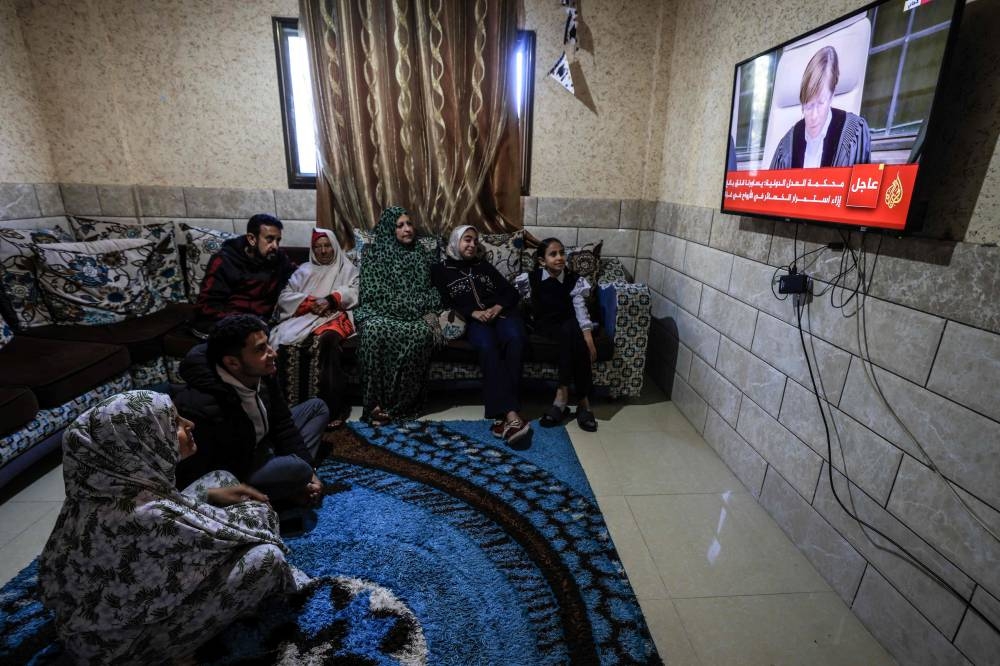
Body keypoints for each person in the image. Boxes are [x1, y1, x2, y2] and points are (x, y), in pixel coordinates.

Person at [38, 390, 302, 663]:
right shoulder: (147, 515)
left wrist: (210, 499)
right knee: (266, 558)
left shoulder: (98, 490)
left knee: (219, 479)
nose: (189, 424)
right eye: (174, 423)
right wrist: (258, 509)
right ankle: (167, 654)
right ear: (139, 443)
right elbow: (251, 528)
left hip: (91, 625)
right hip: (121, 650)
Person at [172, 314, 327, 506]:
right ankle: (276, 493)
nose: (272, 353)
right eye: (260, 349)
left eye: (268, 344)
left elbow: (283, 423)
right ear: (232, 362)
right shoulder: (201, 404)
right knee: (298, 469)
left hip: (262, 444)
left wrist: (311, 472)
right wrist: (300, 471)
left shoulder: (262, 371)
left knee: (317, 408)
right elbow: (195, 474)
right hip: (238, 469)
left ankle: (293, 483)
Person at [431, 225, 530, 444]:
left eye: (475, 241)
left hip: (502, 315)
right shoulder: (440, 270)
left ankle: (504, 418)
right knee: (487, 346)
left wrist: (497, 307)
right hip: (473, 321)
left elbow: (511, 292)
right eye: (467, 240)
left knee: (515, 338)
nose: (472, 245)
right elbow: (443, 301)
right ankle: (512, 414)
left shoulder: (483, 266)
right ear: (455, 241)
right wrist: (472, 312)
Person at [354, 206, 441, 424]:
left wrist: (414, 306)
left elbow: (430, 293)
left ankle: (401, 406)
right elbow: (372, 294)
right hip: (380, 313)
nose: (407, 229)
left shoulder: (421, 254)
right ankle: (374, 405)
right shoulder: (373, 255)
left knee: (422, 333)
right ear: (389, 229)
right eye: (400, 225)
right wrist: (410, 306)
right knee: (373, 330)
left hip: (413, 317)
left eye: (409, 224)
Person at [269, 228, 359, 428]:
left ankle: (331, 409)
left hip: (334, 316)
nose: (323, 251)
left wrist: (331, 299)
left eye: (327, 246)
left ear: (334, 246)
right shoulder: (304, 270)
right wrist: (310, 303)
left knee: (327, 341)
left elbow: (355, 290)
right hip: (304, 316)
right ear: (313, 249)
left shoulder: (346, 268)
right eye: (318, 247)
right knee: (284, 340)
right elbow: (285, 297)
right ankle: (291, 409)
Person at [515, 238, 599, 432]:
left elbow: (580, 310)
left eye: (562, 253)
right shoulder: (530, 279)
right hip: (544, 326)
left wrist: (588, 337)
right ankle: (583, 402)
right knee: (571, 332)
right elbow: (522, 302)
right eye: (553, 254)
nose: (560, 257)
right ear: (542, 261)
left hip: (568, 325)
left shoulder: (573, 280)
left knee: (573, 332)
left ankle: (562, 397)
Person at [192, 213, 297, 337]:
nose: (275, 246)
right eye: (269, 239)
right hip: (230, 322)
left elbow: (297, 276)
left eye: (278, 240)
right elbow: (206, 306)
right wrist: (245, 322)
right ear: (252, 239)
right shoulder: (225, 261)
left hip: (263, 321)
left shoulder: (278, 258)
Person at [769, 46, 871, 170]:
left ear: (832, 96)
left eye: (821, 103)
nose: (814, 116)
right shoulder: (786, 145)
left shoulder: (855, 132)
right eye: (808, 106)